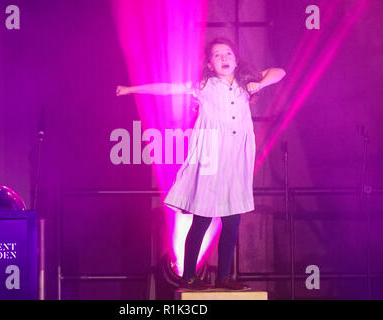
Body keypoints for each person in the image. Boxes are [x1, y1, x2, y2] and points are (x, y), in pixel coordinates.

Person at [116, 38, 285, 290]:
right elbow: (167, 88)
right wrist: (132, 89)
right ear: (209, 64)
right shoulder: (204, 86)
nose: (224, 58)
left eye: (228, 53)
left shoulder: (243, 85)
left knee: (232, 221)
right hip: (212, 160)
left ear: (235, 59)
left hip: (236, 162)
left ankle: (225, 276)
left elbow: (280, 71)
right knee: (202, 220)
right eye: (217, 55)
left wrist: (258, 83)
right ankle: (189, 276)